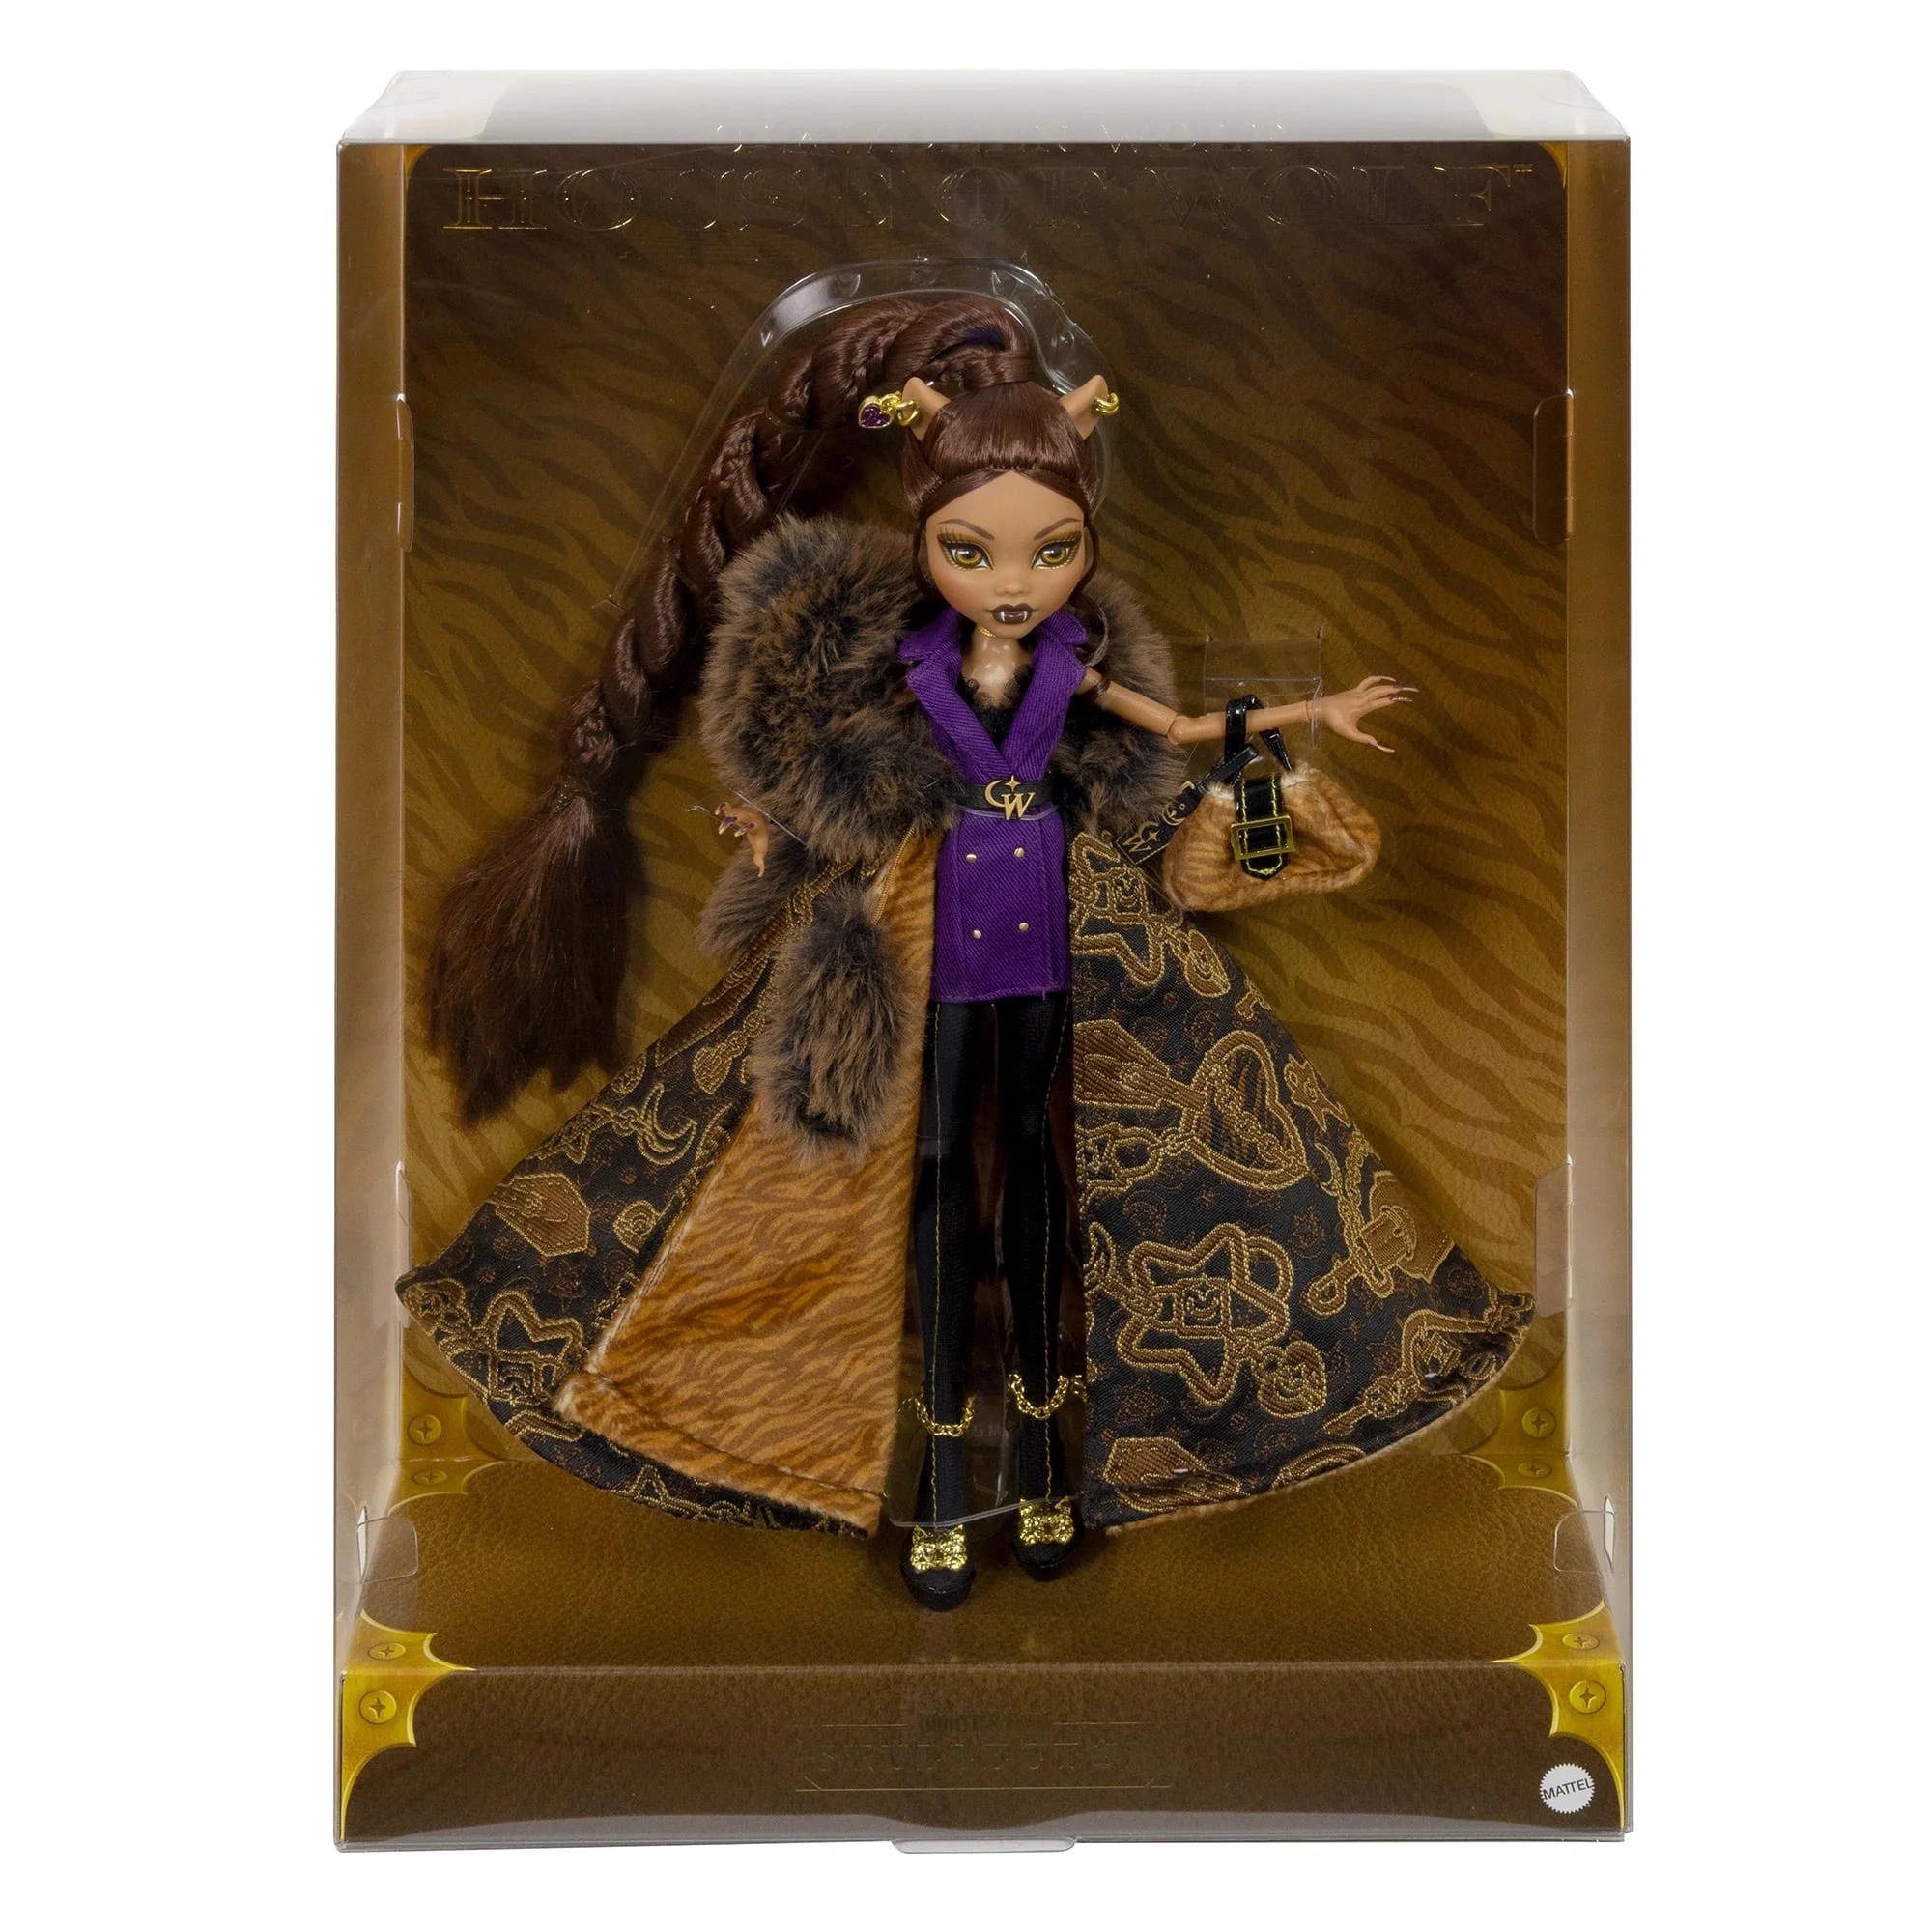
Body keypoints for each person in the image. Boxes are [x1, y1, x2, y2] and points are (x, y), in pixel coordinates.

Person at [402, 294, 1531, 1611]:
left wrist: (1311, 712)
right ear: (926, 538)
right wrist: (774, 826)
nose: (1013, 581)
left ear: (1083, 544)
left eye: (1051, 551)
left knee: (1048, 1192)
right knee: (932, 1192)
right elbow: (841, 780)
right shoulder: (902, 668)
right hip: (925, 936)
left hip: (1054, 933)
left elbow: (1172, 731)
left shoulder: (1076, 670)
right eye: (971, 549)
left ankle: (1047, 1467)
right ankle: (941, 1477)